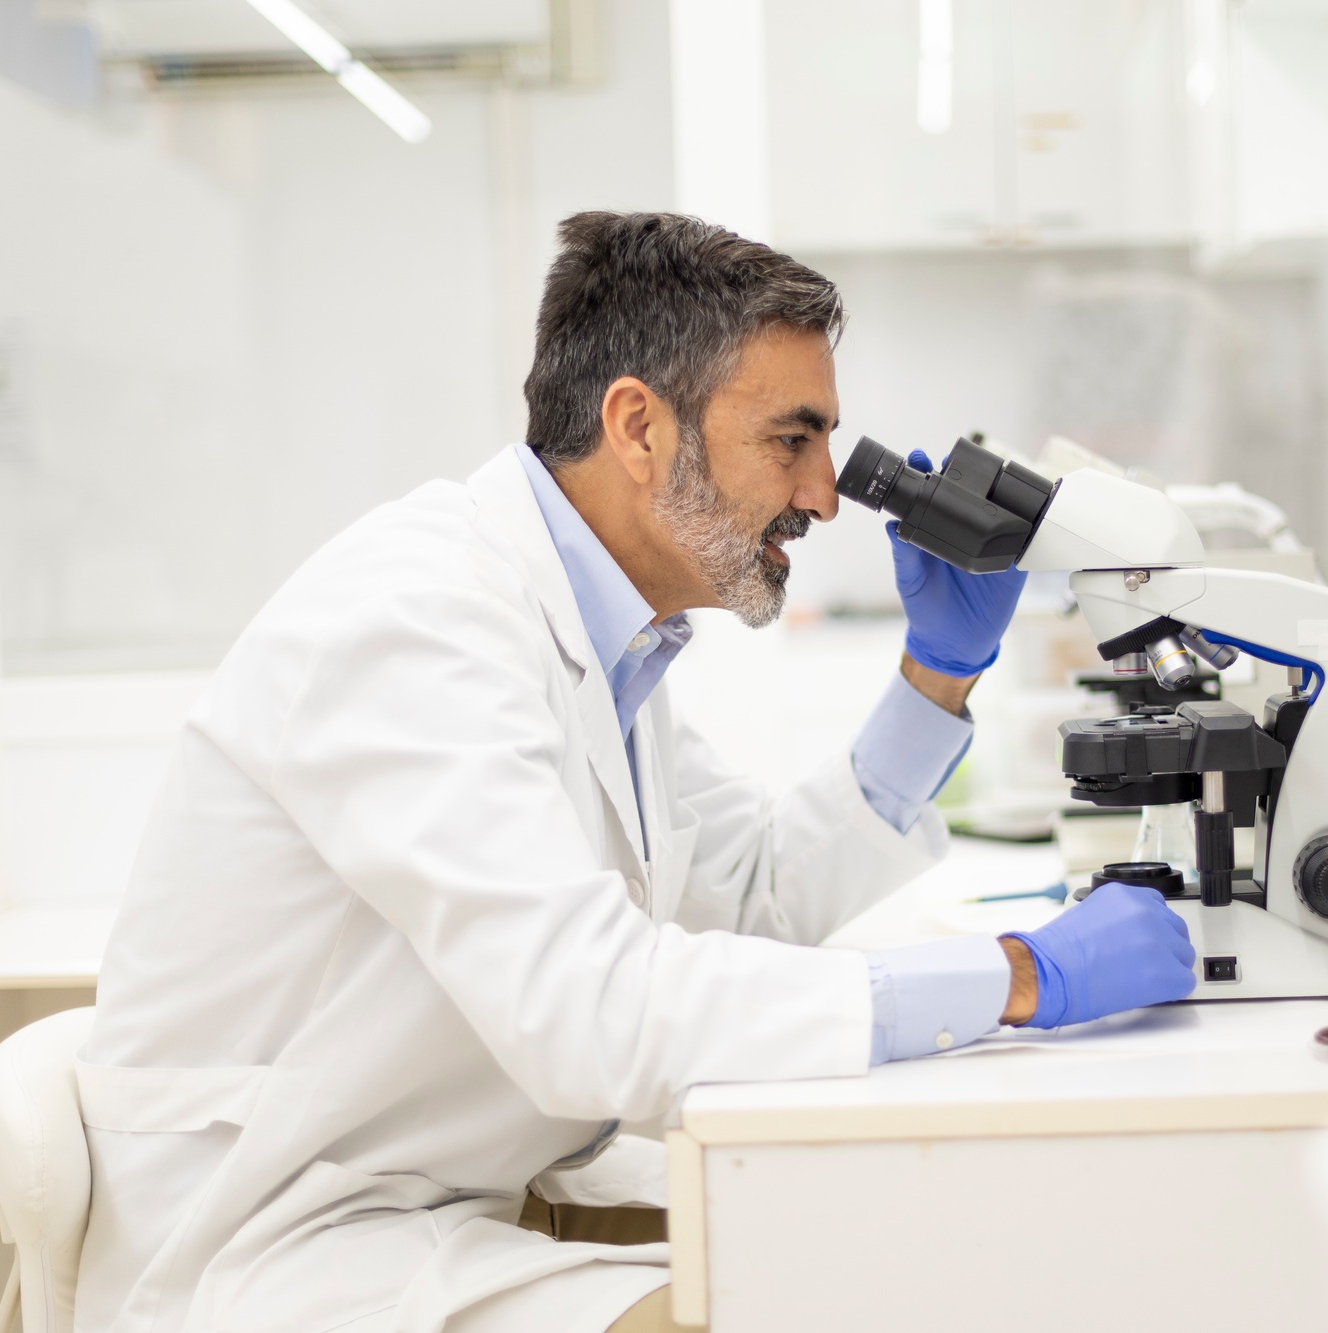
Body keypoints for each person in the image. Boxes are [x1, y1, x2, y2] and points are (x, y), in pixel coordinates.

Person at [72, 212, 1196, 1333]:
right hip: (271, 1243)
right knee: (813, 1295)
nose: (821, 497)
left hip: (442, 1193)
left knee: (881, 1231)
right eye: (789, 441)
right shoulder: (418, 620)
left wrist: (932, 678)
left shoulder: (605, 638)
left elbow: (748, 897)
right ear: (637, 426)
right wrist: (1010, 978)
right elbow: (590, 1013)